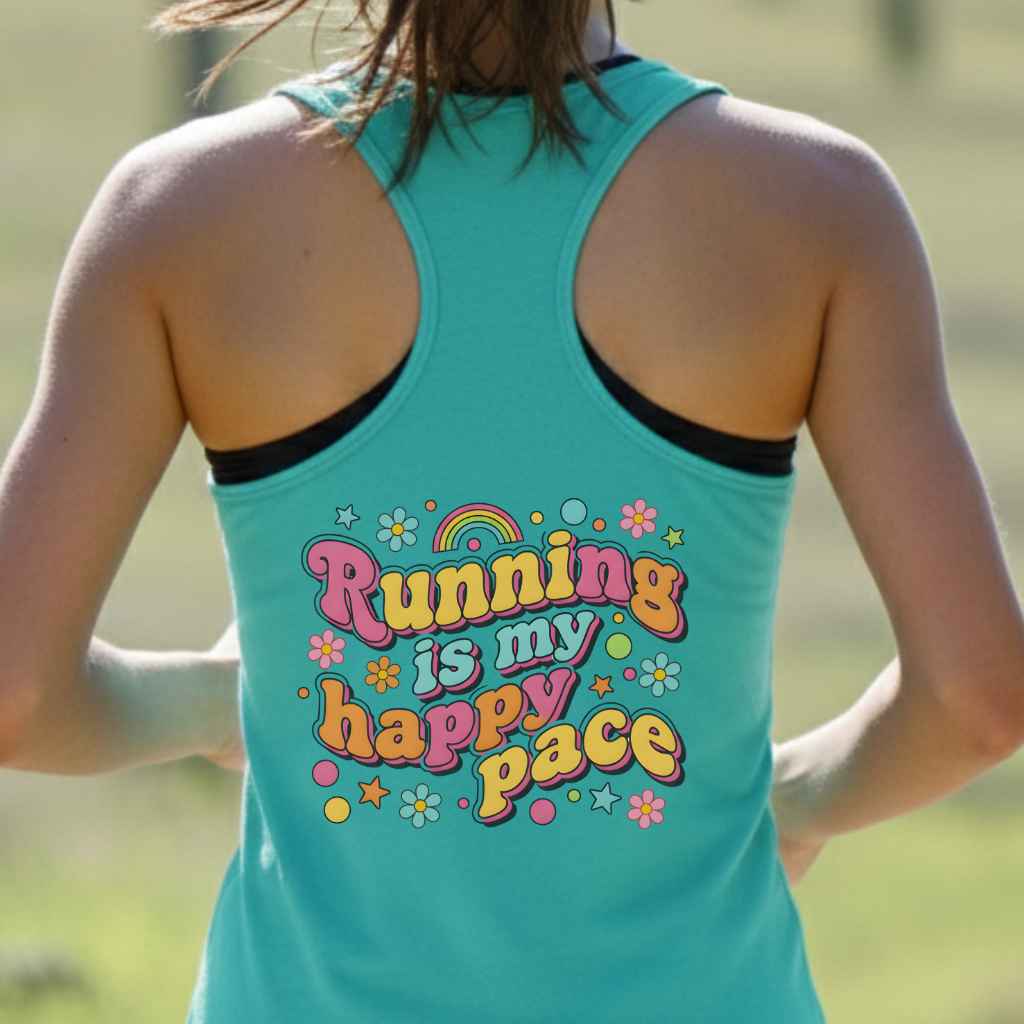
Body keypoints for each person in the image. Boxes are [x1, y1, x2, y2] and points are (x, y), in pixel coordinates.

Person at [1, 1, 1022, 1020]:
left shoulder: (177, 209)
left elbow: (17, 694)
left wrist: (210, 700)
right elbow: (976, 697)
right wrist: (797, 797)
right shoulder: (817, 201)